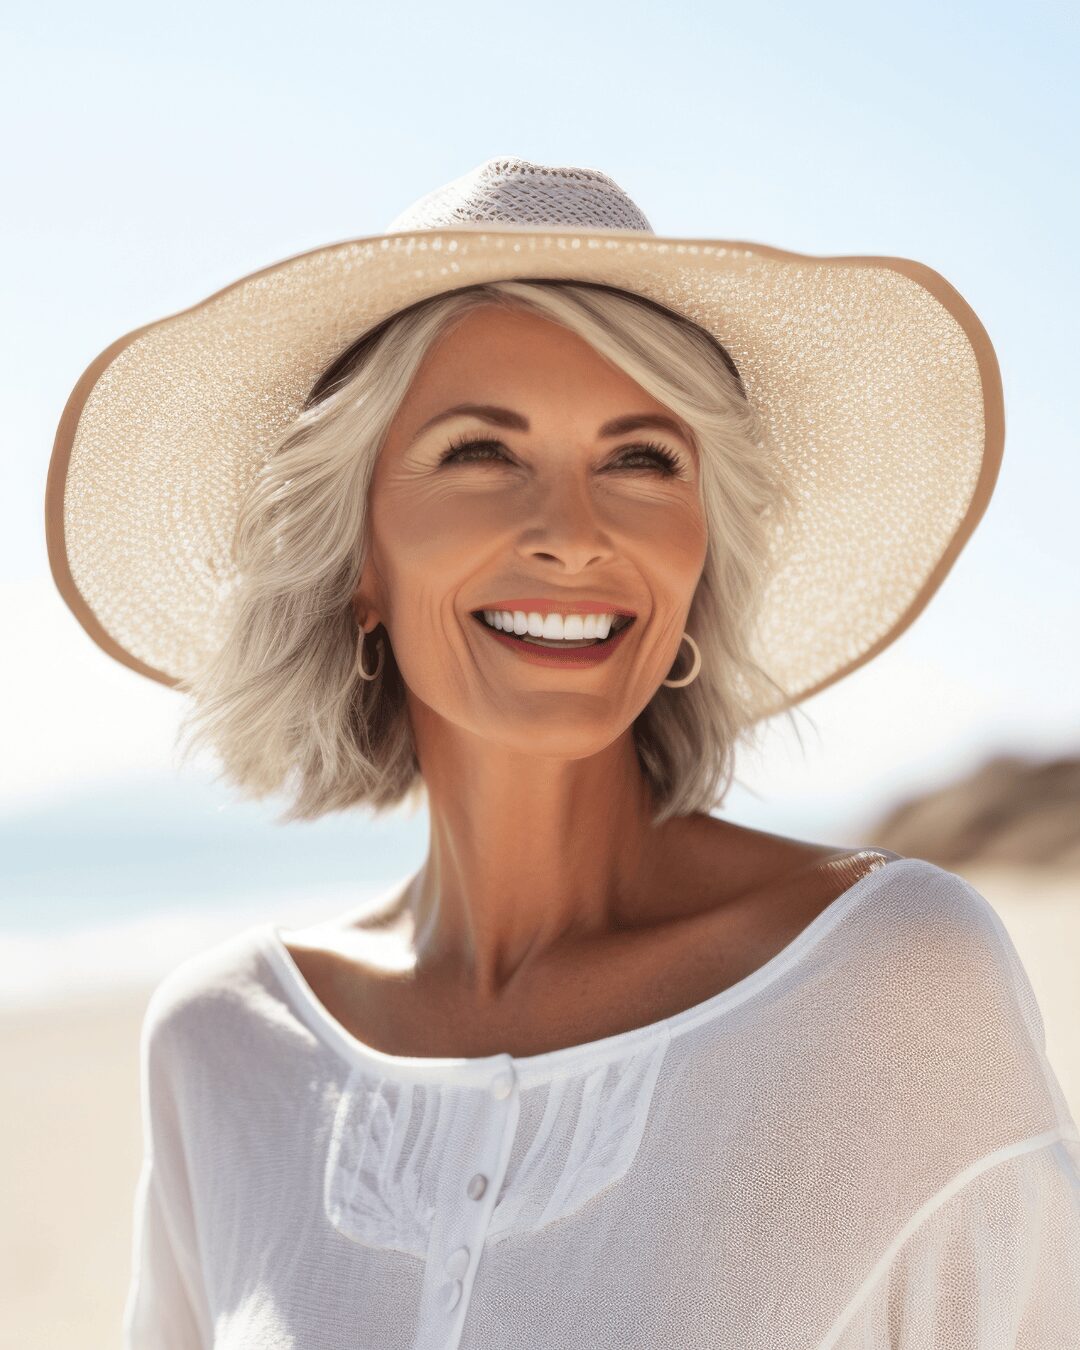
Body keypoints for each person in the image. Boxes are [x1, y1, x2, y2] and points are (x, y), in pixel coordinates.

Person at [46, 157, 1079, 1347]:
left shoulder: (898, 983)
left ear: (700, 556)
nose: (574, 537)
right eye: (482, 453)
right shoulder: (219, 1050)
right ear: (358, 563)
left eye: (642, 459)